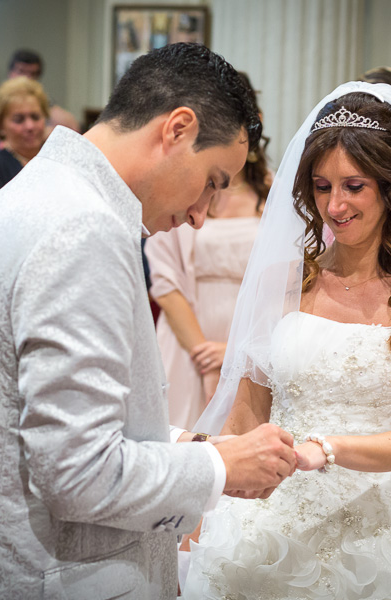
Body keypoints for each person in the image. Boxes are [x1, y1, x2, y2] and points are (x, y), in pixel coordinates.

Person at [0, 43, 297, 599]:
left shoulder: (26, 194)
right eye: (213, 180)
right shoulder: (83, 230)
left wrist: (184, 442)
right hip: (45, 576)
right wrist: (218, 468)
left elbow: (37, 417)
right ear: (177, 129)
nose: (201, 215)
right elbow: (78, 475)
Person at [184, 82, 391, 599]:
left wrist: (327, 449)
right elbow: (246, 416)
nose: (335, 204)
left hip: (376, 535)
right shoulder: (283, 282)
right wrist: (206, 500)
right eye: (322, 187)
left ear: (390, 188)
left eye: (354, 186)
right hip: (270, 526)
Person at [145, 75, 270, 429]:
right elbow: (165, 282)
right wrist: (205, 355)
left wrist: (234, 353)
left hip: (250, 344)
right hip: (187, 343)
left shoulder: (276, 193)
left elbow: (289, 283)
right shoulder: (181, 190)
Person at [0, 76, 49, 194]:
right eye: (19, 120)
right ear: (1, 126)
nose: (30, 126)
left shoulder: (54, 160)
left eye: (35, 117)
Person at [7, 48, 81, 135]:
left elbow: (72, 126)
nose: (26, 78)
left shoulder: (43, 102)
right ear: (10, 73)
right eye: (21, 71)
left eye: (32, 74)